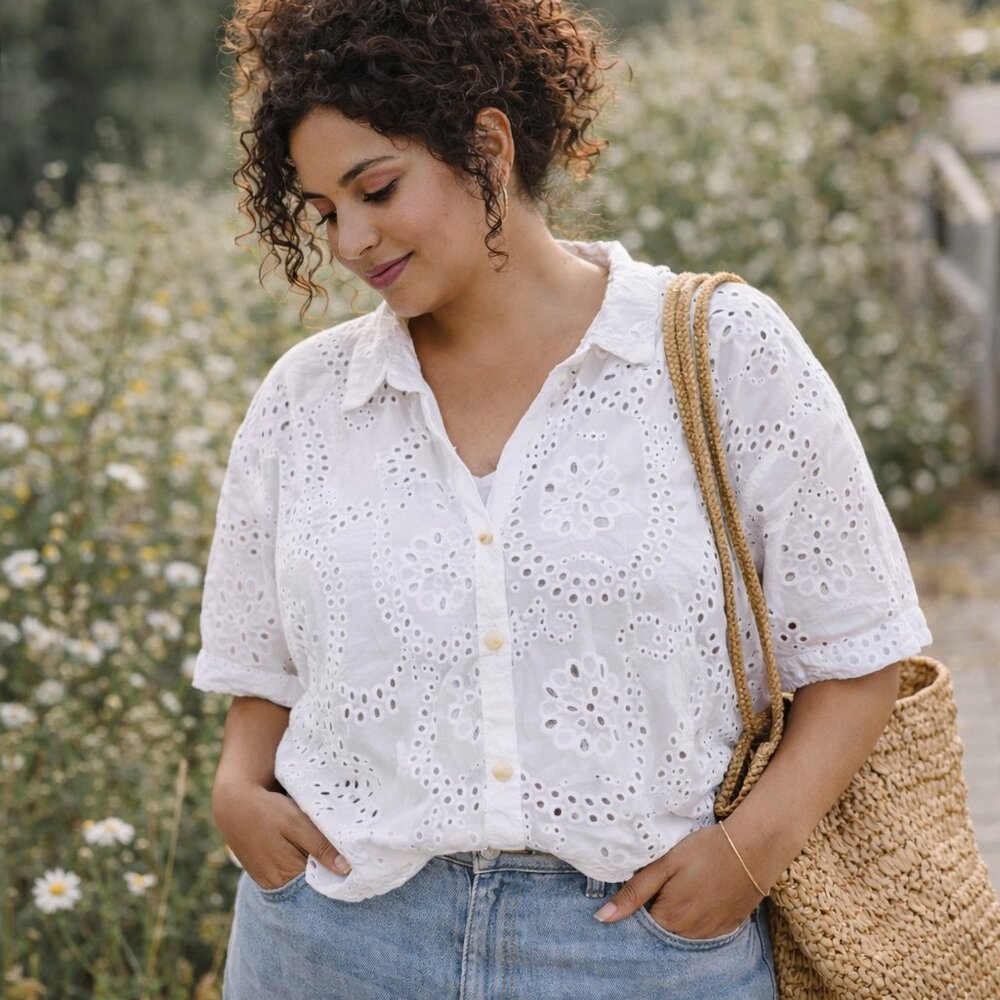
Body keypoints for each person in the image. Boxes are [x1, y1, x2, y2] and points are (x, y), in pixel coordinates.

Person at [190, 1, 933, 997]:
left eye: (375, 189)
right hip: (331, 937)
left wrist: (748, 857)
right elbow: (262, 659)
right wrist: (239, 790)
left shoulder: (722, 351)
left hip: (639, 947)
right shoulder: (306, 400)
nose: (352, 241)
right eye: (325, 211)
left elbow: (860, 650)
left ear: (486, 145)